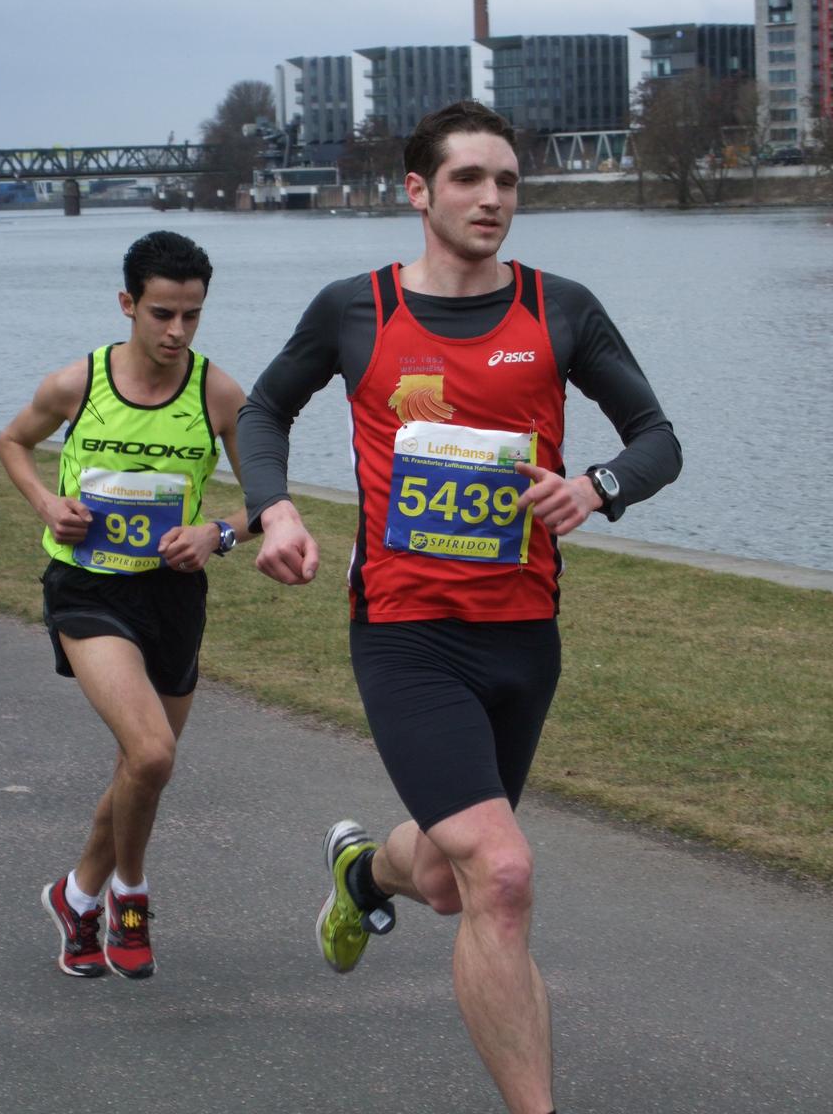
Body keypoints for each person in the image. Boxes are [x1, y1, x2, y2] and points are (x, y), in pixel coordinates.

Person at [236, 101, 682, 1113]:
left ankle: (364, 874)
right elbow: (266, 409)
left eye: (507, 181)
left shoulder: (560, 308)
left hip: (524, 637)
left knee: (447, 881)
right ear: (418, 190)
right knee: (504, 873)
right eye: (469, 179)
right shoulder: (355, 310)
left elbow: (658, 437)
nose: (492, 199)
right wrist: (276, 511)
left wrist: (599, 487)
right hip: (408, 637)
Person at [0, 230, 250, 981]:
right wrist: (48, 503)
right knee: (152, 752)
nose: (177, 332)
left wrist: (215, 533)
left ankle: (75, 895)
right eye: (162, 313)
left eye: (192, 315)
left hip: (173, 597)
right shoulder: (77, 384)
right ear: (127, 304)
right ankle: (128, 897)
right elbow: (12, 443)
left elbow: (270, 502)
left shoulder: (219, 394)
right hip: (88, 589)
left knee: (141, 769)